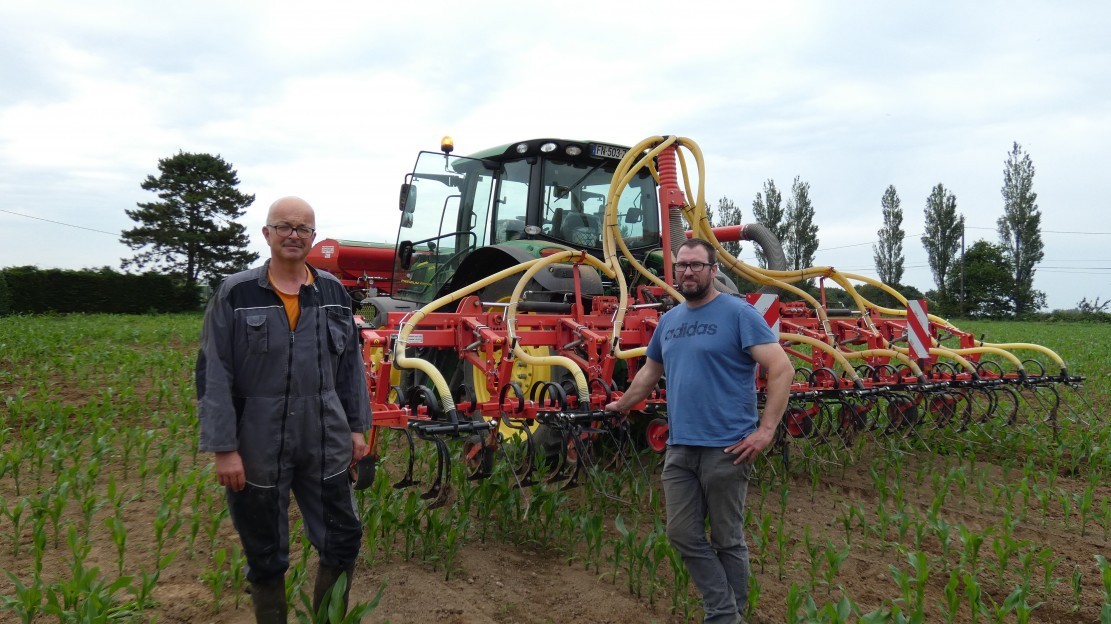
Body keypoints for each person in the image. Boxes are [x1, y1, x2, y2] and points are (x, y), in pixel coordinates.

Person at [196, 196, 371, 623]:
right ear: (267, 233)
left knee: (343, 538)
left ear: (313, 237)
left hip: (324, 436)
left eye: (302, 228)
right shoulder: (236, 292)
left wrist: (356, 428)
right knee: (265, 553)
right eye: (284, 226)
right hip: (257, 440)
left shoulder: (333, 292)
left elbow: (350, 366)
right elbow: (213, 372)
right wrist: (224, 448)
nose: (293, 235)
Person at [605, 238, 792, 624]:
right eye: (682, 265)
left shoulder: (738, 314)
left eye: (696, 265)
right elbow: (649, 373)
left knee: (727, 539)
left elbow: (781, 368)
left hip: (728, 448)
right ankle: (726, 611)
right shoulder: (669, 321)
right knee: (682, 533)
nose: (687, 272)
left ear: (713, 270)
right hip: (680, 447)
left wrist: (766, 430)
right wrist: (622, 405)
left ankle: (726, 615)